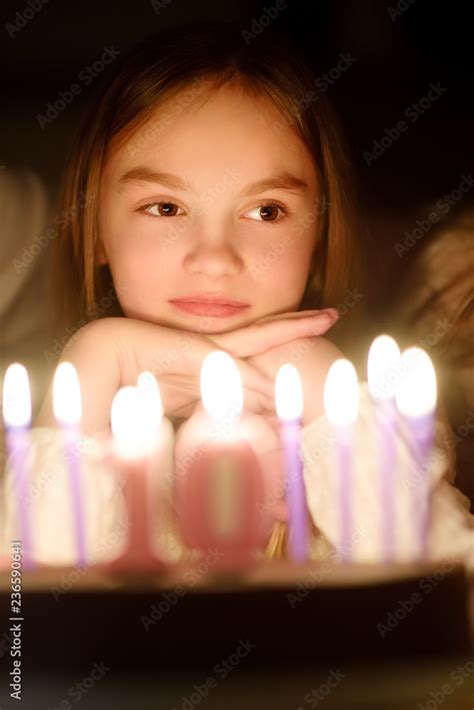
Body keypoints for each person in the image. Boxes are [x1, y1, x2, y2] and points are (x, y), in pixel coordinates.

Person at [15, 21, 473, 566]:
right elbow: (23, 623)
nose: (214, 258)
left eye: (267, 211)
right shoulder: (49, 432)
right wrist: (93, 363)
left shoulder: (389, 431)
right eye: (165, 207)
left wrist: (317, 378)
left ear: (320, 238)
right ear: (93, 232)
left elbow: (447, 595)